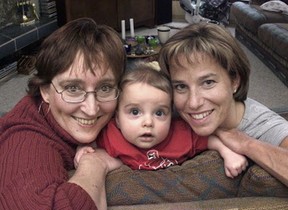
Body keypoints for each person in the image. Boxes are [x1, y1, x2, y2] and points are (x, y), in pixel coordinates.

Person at [0, 18, 126, 210]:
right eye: (73, 88)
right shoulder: (26, 140)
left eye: (105, 87)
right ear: (45, 91)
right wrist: (95, 164)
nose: (92, 110)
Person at [158, 22, 288, 186]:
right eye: (181, 86)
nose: (193, 103)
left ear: (234, 81)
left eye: (208, 82)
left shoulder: (264, 125)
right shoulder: (167, 111)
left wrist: (245, 143)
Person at [75, 62, 248, 176]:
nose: (148, 122)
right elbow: (89, 138)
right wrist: (83, 148)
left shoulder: (180, 134)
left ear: (171, 115)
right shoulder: (111, 134)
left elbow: (210, 140)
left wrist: (228, 153)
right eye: (135, 112)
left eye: (159, 113)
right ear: (117, 119)